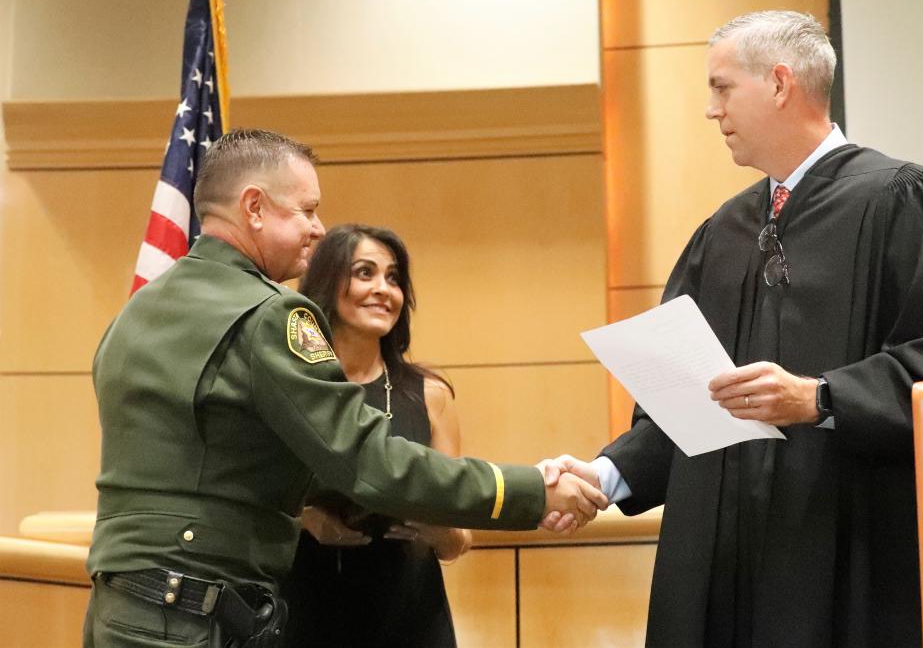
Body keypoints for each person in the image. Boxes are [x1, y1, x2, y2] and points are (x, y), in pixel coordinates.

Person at [82, 129, 606, 647]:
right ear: (255, 207)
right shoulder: (270, 316)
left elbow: (218, 457)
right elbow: (367, 462)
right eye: (306, 210)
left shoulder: (136, 314)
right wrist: (530, 491)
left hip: (119, 612)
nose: (318, 227)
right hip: (201, 621)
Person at [545, 10, 923, 647]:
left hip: (848, 553)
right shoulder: (724, 232)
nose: (711, 110)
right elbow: (680, 402)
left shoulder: (904, 200)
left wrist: (820, 398)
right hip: (722, 563)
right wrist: (603, 476)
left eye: (721, 87)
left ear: (779, 83)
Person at [280, 224, 469, 647]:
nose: (384, 289)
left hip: (409, 616)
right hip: (304, 609)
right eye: (365, 273)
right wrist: (307, 521)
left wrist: (435, 529)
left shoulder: (432, 395)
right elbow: (248, 504)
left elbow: (458, 538)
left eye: (394, 278)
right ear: (328, 283)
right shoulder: (290, 384)